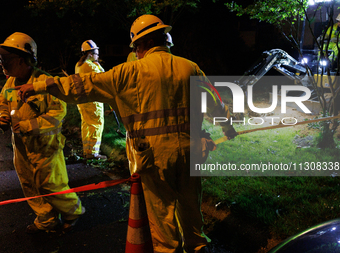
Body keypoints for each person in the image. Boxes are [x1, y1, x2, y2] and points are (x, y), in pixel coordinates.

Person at [16, 15, 237, 252]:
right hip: (192, 149)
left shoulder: (127, 72)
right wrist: (228, 128)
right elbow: (216, 103)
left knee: (163, 216)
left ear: (140, 45)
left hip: (154, 156)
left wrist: (39, 85)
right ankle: (198, 245)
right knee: (191, 205)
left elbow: (80, 86)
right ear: (164, 39)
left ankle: (169, 249)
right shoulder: (190, 67)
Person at [0, 32, 85, 233]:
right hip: (21, 147)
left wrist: (28, 126)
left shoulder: (44, 82)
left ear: (22, 60)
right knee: (29, 185)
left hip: (46, 147)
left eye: (6, 60)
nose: (2, 64)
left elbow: (58, 113)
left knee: (52, 185)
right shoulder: (11, 82)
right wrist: (3, 116)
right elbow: (3, 102)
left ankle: (73, 212)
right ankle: (46, 220)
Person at [75, 40, 106, 160]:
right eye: (97, 54)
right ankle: (93, 153)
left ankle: (87, 150)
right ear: (91, 53)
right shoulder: (90, 65)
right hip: (92, 101)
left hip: (82, 101)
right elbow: (103, 77)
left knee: (86, 125)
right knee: (96, 125)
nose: (98, 56)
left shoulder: (79, 65)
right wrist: (98, 64)